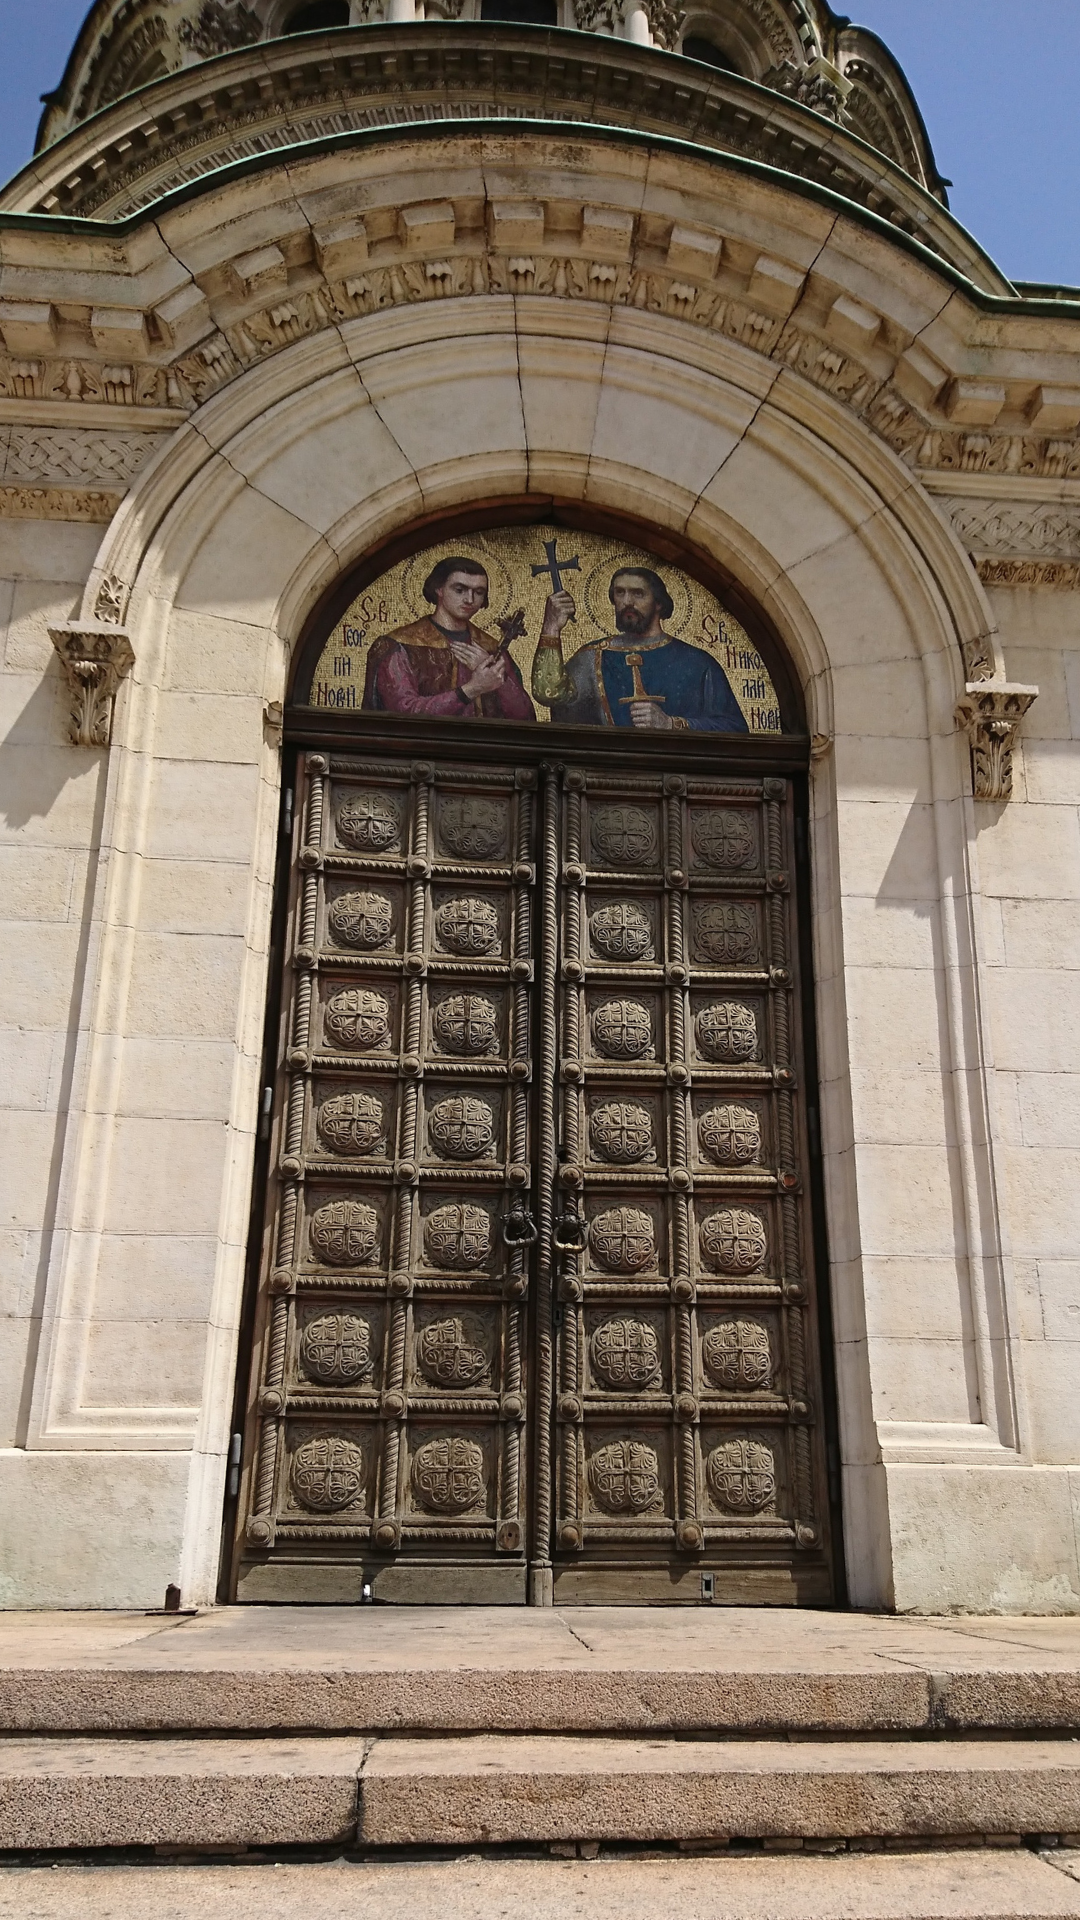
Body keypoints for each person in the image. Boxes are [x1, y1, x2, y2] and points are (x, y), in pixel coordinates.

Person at [531, 566, 748, 733]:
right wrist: (551, 628)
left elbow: (735, 730)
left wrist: (670, 723)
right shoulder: (593, 656)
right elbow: (548, 693)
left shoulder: (698, 663)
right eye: (620, 593)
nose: (627, 602)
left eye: (637, 593)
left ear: (659, 603)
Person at [362, 557, 534, 720]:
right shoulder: (399, 645)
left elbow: (524, 717)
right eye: (459, 590)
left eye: (479, 592)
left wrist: (500, 680)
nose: (470, 599)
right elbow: (403, 713)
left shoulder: (491, 648)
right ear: (439, 589)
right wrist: (472, 689)